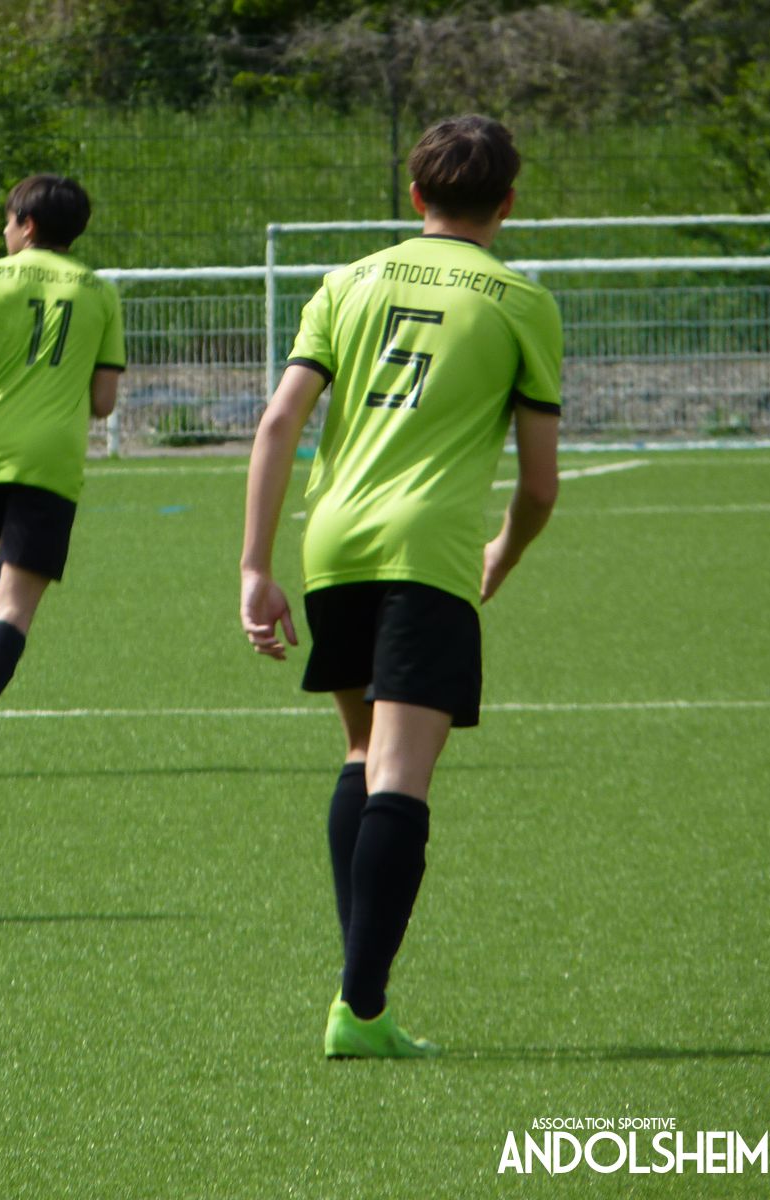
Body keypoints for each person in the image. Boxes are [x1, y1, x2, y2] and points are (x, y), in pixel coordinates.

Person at [238, 115, 562, 1058]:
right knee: (402, 777)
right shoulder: (521, 303)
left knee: (360, 751)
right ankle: (362, 1008)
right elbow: (541, 485)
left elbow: (278, 423)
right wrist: (502, 552)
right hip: (431, 552)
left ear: (415, 196)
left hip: (333, 544)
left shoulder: (346, 282)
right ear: (507, 204)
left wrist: (255, 566)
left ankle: (359, 988)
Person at [0, 174, 125, 777]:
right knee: (18, 609)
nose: (6, 232)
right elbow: (104, 402)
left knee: (6, 549)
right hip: (49, 459)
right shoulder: (100, 293)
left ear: (27, 225)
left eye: (9, 221)